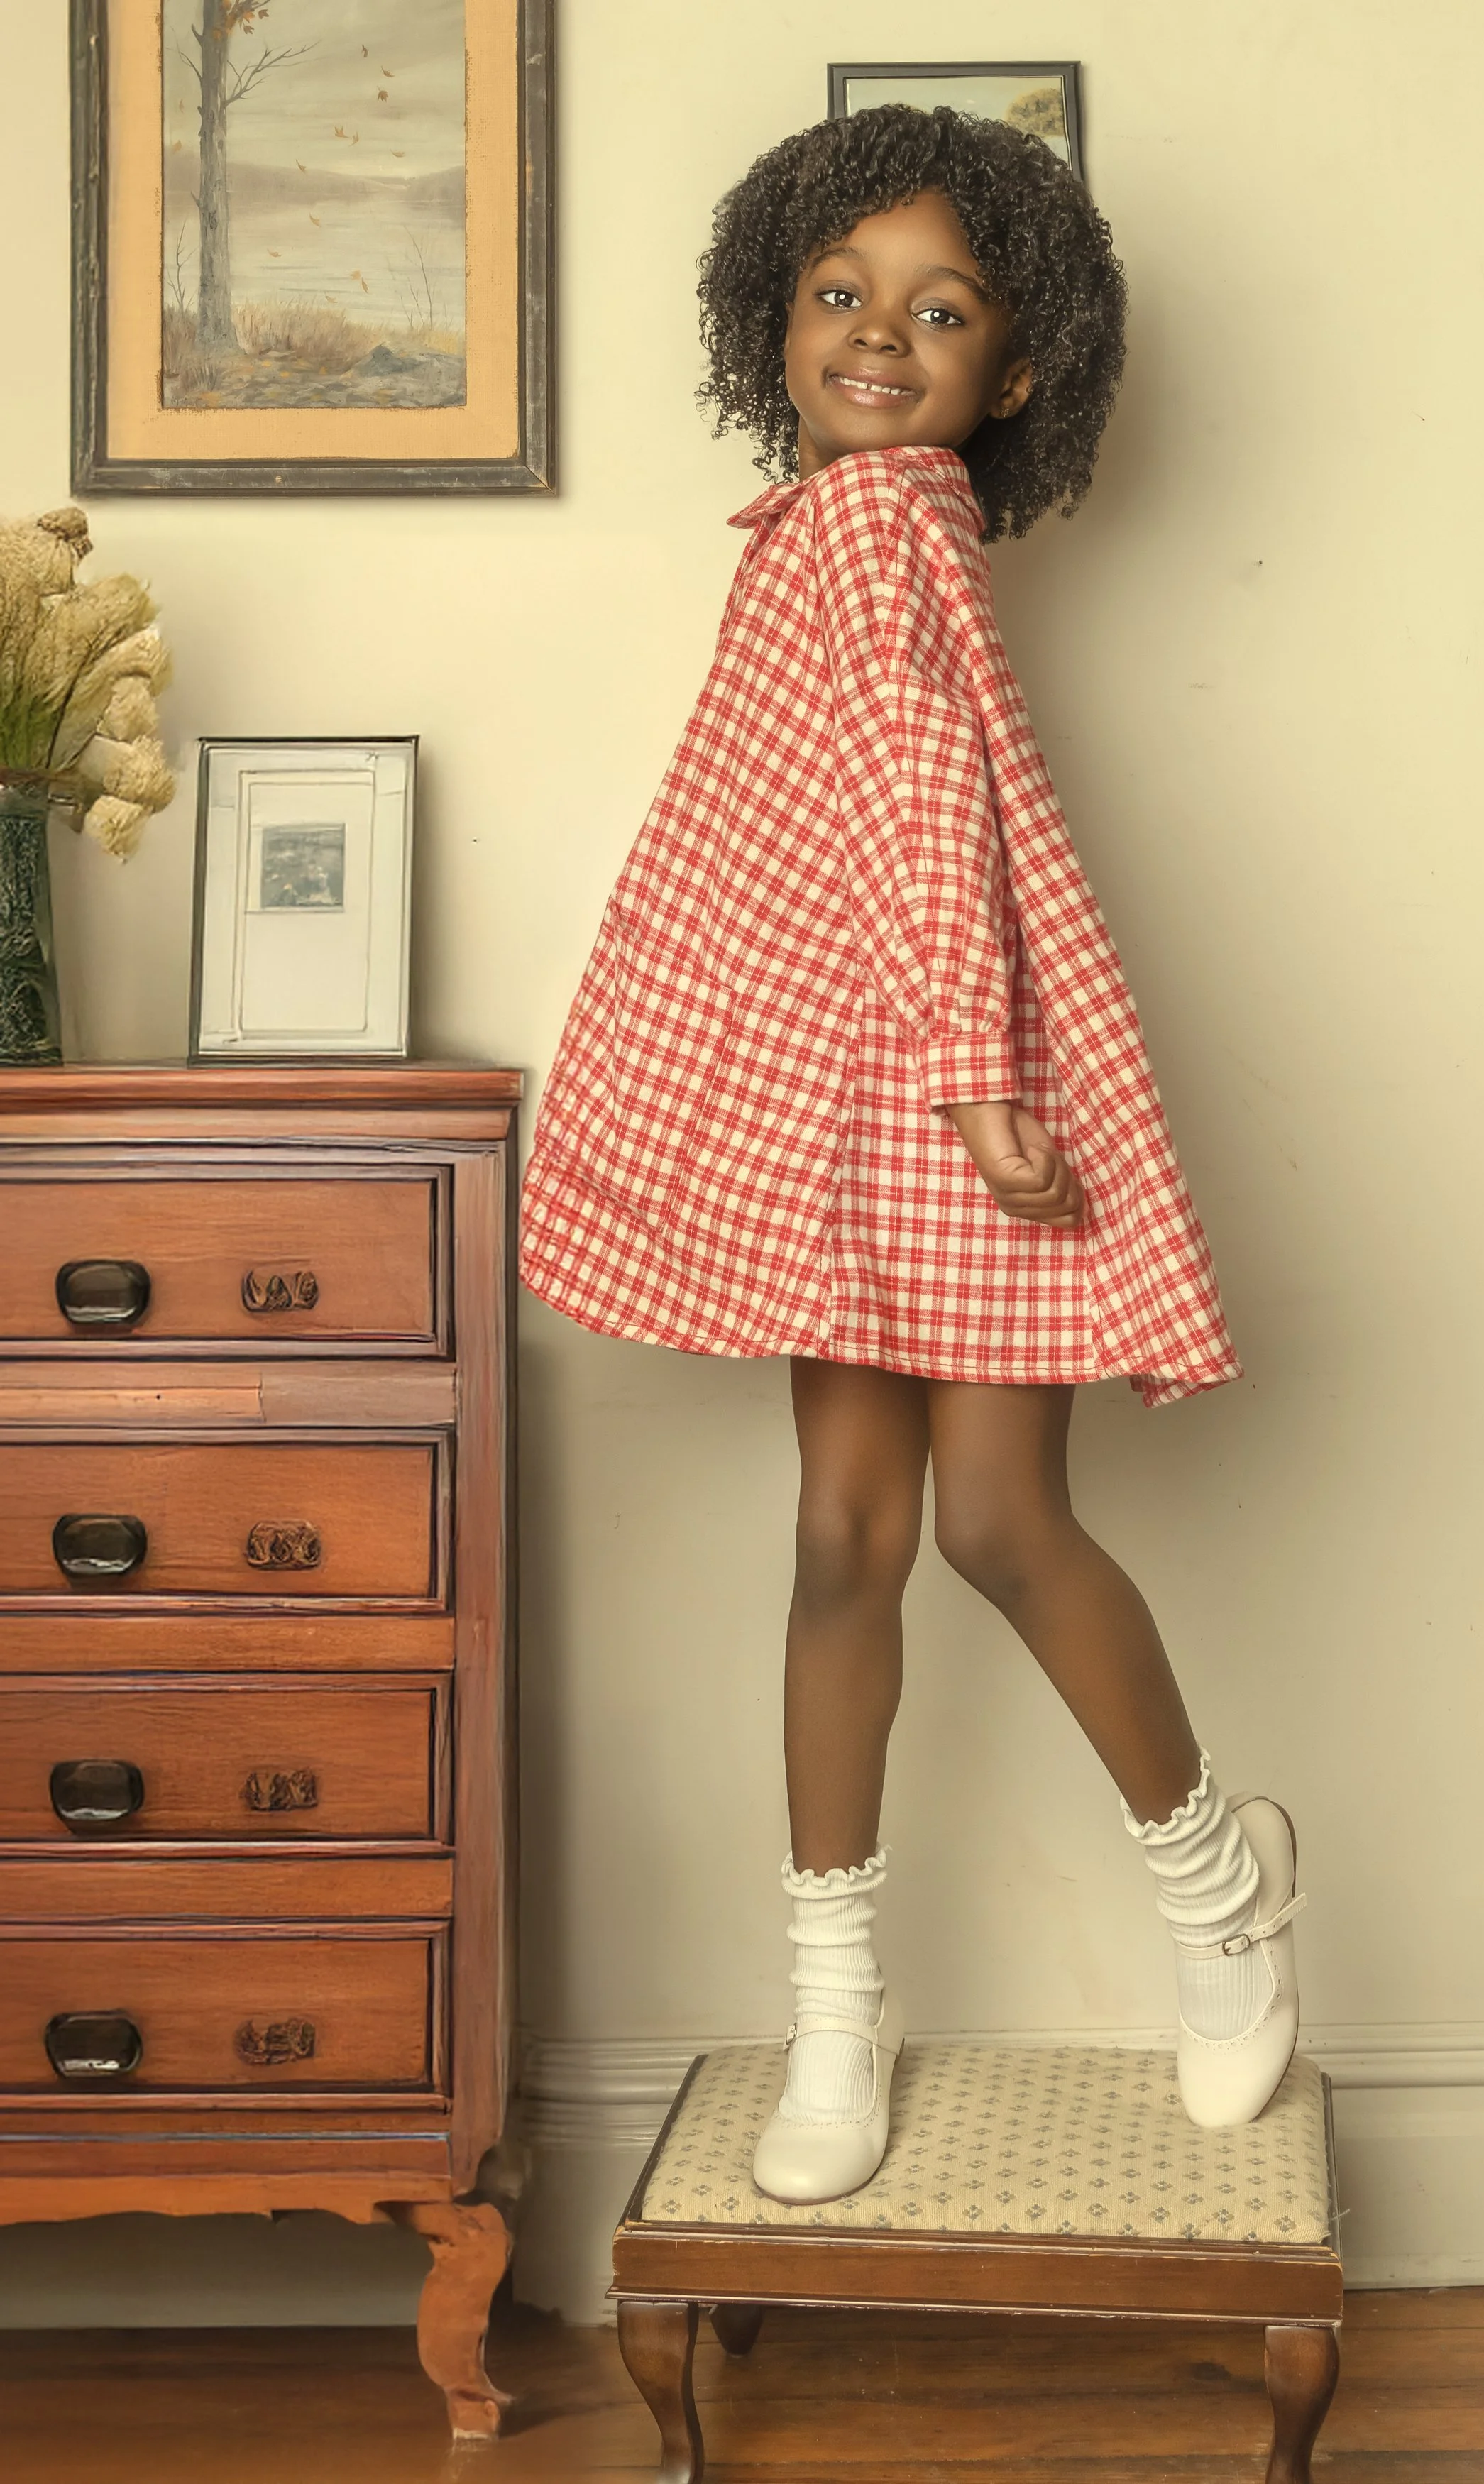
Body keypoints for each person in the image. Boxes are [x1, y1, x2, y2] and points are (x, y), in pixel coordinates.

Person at [521, 105, 1303, 2207]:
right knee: (842, 1538)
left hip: (953, 1090)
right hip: (836, 1104)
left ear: (1019, 365)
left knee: (992, 1524)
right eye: (839, 294)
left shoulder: (889, 531)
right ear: (769, 315)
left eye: (942, 309)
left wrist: (972, 1070)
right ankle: (834, 2003)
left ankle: (1221, 1891)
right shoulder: (828, 528)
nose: (882, 335)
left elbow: (923, 803)